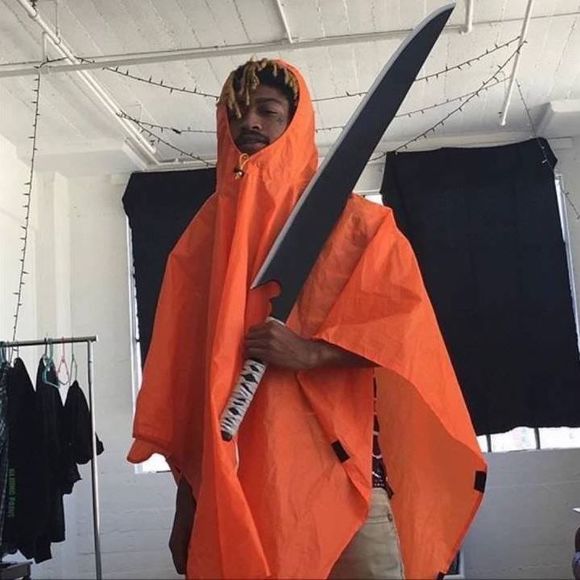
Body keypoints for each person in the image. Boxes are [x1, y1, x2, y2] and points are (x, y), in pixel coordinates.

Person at [128, 58, 486, 579]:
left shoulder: (355, 223)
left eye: (267, 110)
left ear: (293, 121)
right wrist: (188, 504)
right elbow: (189, 392)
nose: (250, 122)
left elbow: (404, 331)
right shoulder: (200, 242)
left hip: (347, 485)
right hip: (241, 494)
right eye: (237, 112)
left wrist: (311, 353)